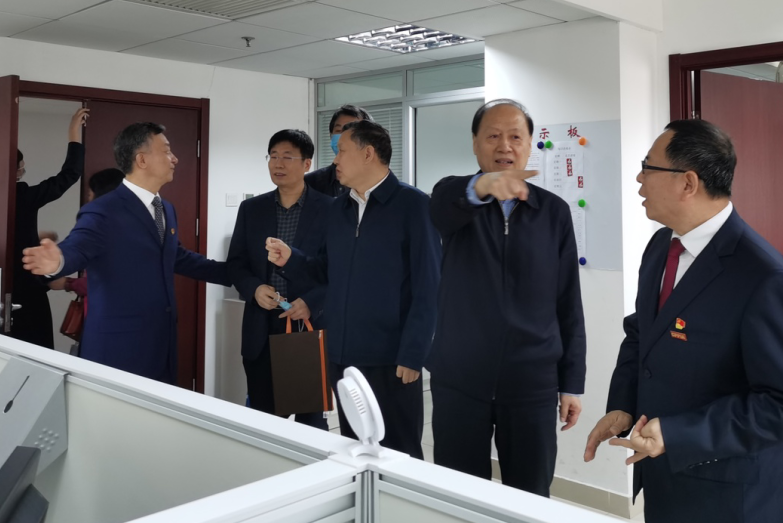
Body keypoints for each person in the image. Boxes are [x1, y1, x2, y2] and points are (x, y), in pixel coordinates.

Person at [584, 120, 783, 523]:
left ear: (688, 183)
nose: (639, 178)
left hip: (728, 496)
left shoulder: (762, 275)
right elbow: (642, 332)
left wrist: (677, 434)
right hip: (663, 480)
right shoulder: (662, 245)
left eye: (648, 166)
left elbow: (776, 403)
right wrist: (623, 404)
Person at [427, 99, 586, 497]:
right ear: (475, 143)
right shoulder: (453, 199)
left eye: (515, 136)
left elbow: (568, 301)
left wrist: (571, 383)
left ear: (530, 144)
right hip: (460, 379)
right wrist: (482, 188)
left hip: (532, 382)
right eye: (493, 136)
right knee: (459, 495)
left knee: (530, 496)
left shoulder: (553, 212)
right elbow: (443, 207)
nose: (505, 146)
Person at [266, 120, 441, 458]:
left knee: (398, 453)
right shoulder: (339, 209)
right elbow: (325, 271)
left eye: (341, 151)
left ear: (368, 153)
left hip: (391, 358)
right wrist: (291, 259)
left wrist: (413, 353)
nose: (335, 160)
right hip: (343, 356)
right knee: (354, 449)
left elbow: (429, 285)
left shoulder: (414, 206)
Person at [22, 123, 231, 384]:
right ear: (142, 160)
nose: (174, 158)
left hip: (162, 346)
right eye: (167, 151)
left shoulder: (165, 208)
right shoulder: (103, 210)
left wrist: (235, 273)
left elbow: (176, 256)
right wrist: (58, 260)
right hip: (117, 352)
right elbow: (78, 246)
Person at [227, 130, 331, 430]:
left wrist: (311, 302)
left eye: (287, 157)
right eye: (273, 156)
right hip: (262, 327)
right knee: (265, 422)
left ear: (307, 164)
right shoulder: (252, 209)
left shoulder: (331, 210)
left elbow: (338, 270)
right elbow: (236, 263)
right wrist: (254, 288)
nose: (278, 164)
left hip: (307, 326)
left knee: (310, 421)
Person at [9, 107, 89, 349]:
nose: (21, 174)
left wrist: (34, 237)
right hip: (26, 291)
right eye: (20, 169)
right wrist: (73, 132)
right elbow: (70, 174)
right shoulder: (22, 195)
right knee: (35, 354)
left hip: (10, 289)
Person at [55, 168, 127, 315]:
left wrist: (68, 284)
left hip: (108, 314)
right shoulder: (130, 223)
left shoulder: (104, 226)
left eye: (89, 194)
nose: (88, 200)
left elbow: (110, 280)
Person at [305, 104, 371, 198]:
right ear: (331, 136)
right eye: (338, 130)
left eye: (352, 131)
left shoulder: (378, 182)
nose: (343, 136)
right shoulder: (309, 183)